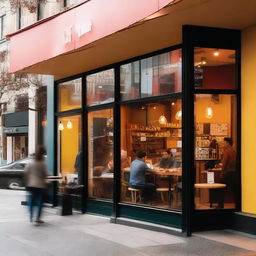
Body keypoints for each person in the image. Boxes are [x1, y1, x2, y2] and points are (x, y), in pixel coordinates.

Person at [24, 145, 49, 224]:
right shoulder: (42, 163)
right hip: (40, 185)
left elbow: (26, 172)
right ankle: (37, 218)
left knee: (31, 201)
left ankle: (31, 216)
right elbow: (45, 174)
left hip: (31, 185)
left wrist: (27, 182)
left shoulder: (31, 162)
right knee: (40, 202)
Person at [217, 137, 237, 208]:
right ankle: (238, 204)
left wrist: (222, 173)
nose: (223, 144)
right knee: (235, 190)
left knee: (220, 188)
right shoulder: (234, 151)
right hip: (234, 173)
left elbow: (224, 163)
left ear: (228, 143)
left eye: (224, 142)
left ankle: (220, 205)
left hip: (227, 173)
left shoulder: (227, 151)